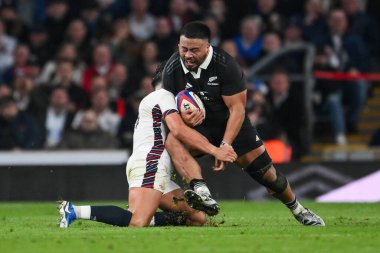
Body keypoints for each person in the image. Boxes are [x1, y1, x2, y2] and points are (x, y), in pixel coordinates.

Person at [162, 21, 325, 226]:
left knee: (269, 177)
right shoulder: (172, 69)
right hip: (199, 129)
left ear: (207, 47)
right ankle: (201, 190)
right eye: (183, 49)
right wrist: (184, 117)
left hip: (232, 126)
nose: (187, 55)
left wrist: (225, 145)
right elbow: (169, 111)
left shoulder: (226, 65)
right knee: (172, 140)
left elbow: (237, 110)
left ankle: (298, 209)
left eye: (194, 50)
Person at [58, 63, 237, 228]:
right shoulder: (163, 95)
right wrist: (216, 150)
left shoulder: (163, 101)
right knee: (137, 221)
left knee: (196, 218)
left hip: (153, 164)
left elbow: (174, 138)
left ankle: (149, 212)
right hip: (151, 162)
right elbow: (178, 130)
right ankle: (74, 210)